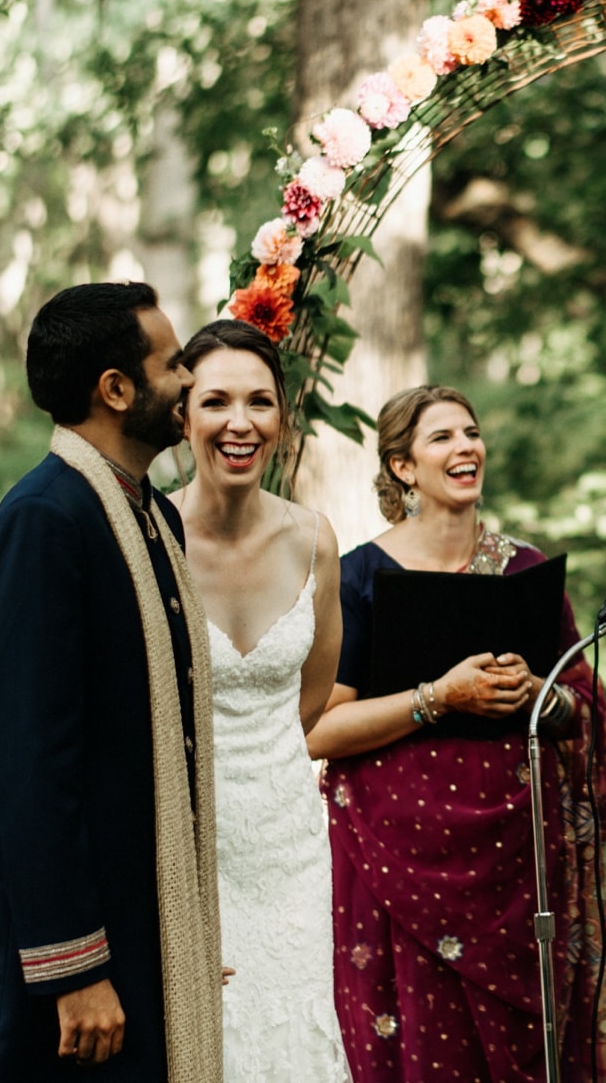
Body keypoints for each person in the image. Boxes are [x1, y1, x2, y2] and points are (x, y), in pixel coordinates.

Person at [308, 385, 606, 1083]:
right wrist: (438, 697)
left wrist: (538, 698)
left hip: (516, 872)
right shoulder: (360, 576)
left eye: (471, 433)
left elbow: (582, 708)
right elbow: (321, 729)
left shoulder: (523, 570)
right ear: (403, 467)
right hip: (392, 863)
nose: (465, 448)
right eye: (442, 438)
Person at [0, 282, 225, 1082]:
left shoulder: (152, 520)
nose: (188, 382)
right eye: (172, 364)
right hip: (71, 958)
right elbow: (25, 762)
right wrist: (73, 968)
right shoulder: (44, 518)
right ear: (116, 388)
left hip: (141, 919)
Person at [169, 319, 350, 1082]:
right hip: (186, 846)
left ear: (283, 417)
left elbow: (308, 701)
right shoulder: (152, 535)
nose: (239, 423)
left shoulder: (315, 540)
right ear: (183, 417)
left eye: (259, 402)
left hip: (289, 853)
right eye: (215, 402)